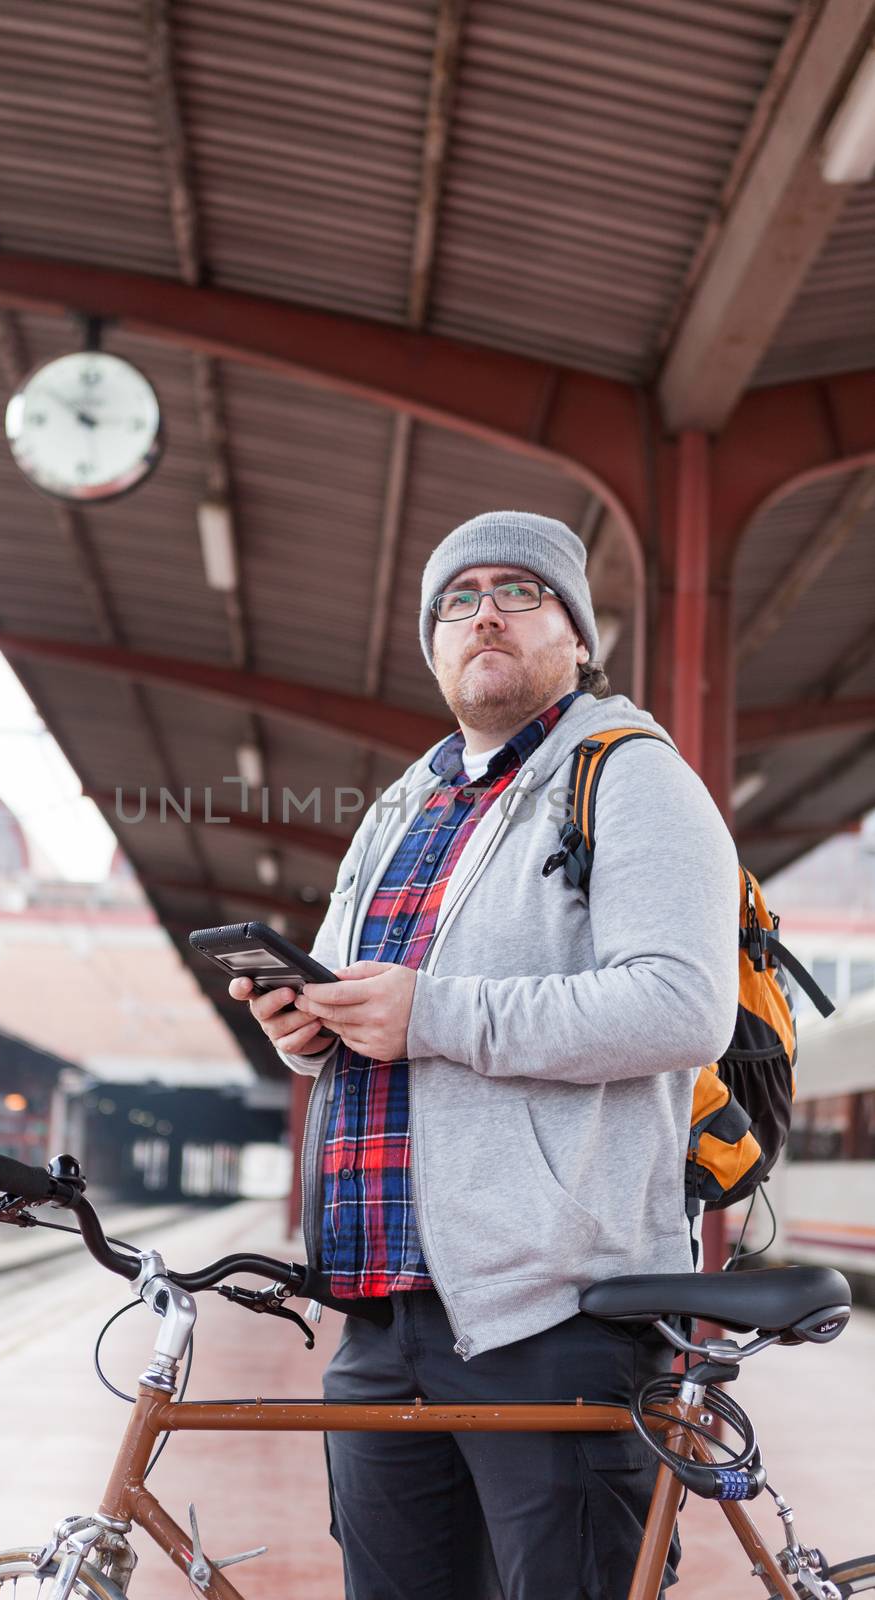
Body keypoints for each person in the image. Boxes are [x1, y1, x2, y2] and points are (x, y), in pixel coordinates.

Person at [228, 510, 739, 1599]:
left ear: (575, 634)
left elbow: (681, 1006)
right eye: (456, 599)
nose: (484, 613)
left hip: (550, 1312)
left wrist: (431, 1014)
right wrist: (305, 1034)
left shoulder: (628, 776)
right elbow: (357, 1003)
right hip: (374, 1310)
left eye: (519, 590)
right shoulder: (397, 809)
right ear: (432, 646)